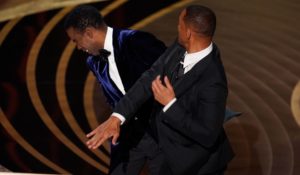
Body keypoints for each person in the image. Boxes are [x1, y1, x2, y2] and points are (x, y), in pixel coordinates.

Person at [86, 5, 234, 175]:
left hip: (197, 166)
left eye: (179, 25)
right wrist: (117, 116)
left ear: (188, 33)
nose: (177, 28)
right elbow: (149, 78)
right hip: (168, 155)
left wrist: (170, 104)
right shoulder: (179, 48)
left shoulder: (213, 80)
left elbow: (207, 134)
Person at [63, 5, 167, 175]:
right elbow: (113, 99)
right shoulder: (93, 62)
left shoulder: (136, 41)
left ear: (89, 33)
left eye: (75, 40)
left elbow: (170, 77)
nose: (77, 47)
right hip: (128, 135)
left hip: (161, 133)